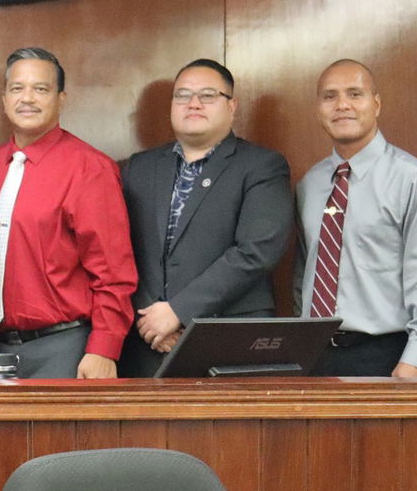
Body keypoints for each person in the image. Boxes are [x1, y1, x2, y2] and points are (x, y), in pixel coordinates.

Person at [0, 48, 137, 378]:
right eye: (17, 88)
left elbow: (113, 270)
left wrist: (104, 348)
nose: (27, 98)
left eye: (41, 89)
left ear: (61, 99)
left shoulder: (89, 169)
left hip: (63, 349)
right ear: (4, 99)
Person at [119, 59, 293, 376]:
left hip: (227, 339)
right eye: (183, 95)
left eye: (208, 95)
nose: (194, 104)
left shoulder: (262, 166)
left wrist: (179, 311)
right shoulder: (139, 167)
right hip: (148, 341)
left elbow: (257, 251)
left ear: (232, 106)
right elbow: (119, 249)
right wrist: (151, 319)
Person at [295, 59, 417, 377]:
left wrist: (416, 361)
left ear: (376, 104)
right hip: (314, 357)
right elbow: (303, 275)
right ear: (318, 108)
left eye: (355, 94)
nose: (342, 105)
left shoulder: (415, 181)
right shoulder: (310, 184)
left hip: (387, 357)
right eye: (329, 96)